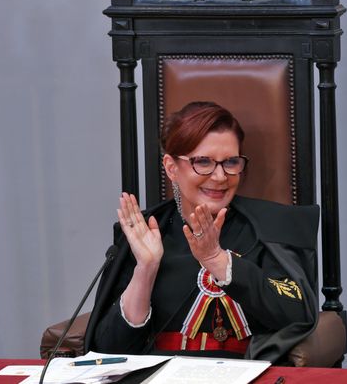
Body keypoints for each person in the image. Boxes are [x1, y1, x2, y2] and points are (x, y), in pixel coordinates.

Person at [85, 101, 318, 362]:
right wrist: (146, 269)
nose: (220, 176)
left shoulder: (273, 227)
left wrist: (218, 261)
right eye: (203, 162)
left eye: (231, 162)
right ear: (172, 167)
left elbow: (298, 315)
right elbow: (108, 353)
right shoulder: (145, 232)